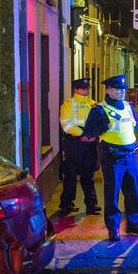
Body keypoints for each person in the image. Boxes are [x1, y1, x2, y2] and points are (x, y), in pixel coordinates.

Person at [83, 74, 138, 242]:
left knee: (133, 191)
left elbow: (136, 124)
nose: (122, 92)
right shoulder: (99, 109)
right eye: (118, 89)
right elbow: (89, 132)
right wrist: (103, 126)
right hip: (113, 157)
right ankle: (113, 228)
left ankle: (134, 223)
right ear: (108, 90)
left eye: (123, 89)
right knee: (112, 193)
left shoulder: (128, 107)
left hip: (131, 155)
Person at [58, 77, 101, 216]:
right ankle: (66, 204)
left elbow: (99, 122)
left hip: (89, 144)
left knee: (88, 176)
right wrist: (83, 134)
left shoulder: (93, 104)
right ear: (75, 89)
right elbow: (66, 124)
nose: (85, 90)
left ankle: (92, 205)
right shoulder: (69, 104)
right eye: (82, 88)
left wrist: (93, 135)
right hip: (74, 144)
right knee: (70, 176)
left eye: (87, 88)